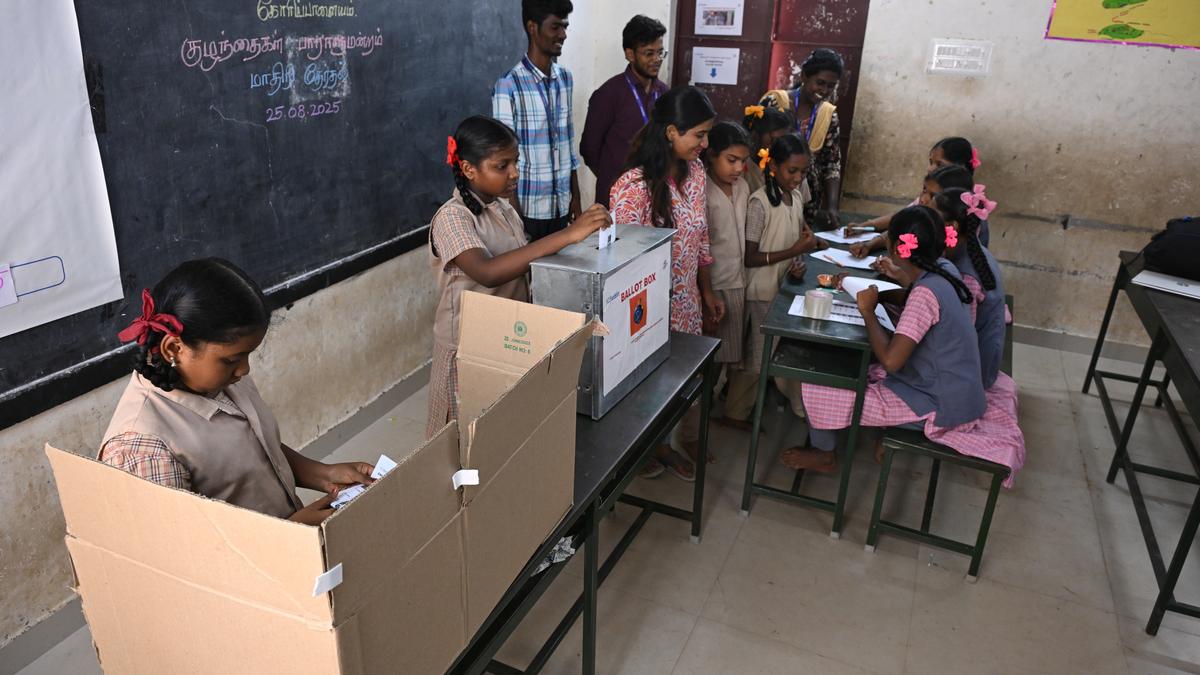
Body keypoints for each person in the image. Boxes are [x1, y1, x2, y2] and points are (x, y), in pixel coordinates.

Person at [100, 258, 375, 525]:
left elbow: (253, 448)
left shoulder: (218, 378)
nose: (244, 370)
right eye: (232, 359)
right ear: (174, 349)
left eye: (248, 356)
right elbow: (179, 559)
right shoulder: (143, 452)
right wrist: (290, 533)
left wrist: (322, 474)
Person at [792, 206, 1024, 484]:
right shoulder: (944, 269)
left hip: (941, 405)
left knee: (816, 384)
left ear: (897, 250)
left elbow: (891, 361)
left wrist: (867, 312)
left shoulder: (925, 294)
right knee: (857, 370)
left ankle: (824, 453)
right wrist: (875, 294)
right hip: (957, 391)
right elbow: (912, 296)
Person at [427, 116, 610, 437]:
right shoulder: (452, 218)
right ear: (469, 169)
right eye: (502, 166)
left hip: (504, 335)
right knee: (458, 440)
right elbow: (487, 272)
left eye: (516, 162)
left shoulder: (503, 208)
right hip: (465, 345)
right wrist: (568, 235)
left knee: (496, 433)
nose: (515, 173)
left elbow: (524, 261)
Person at [610, 85, 723, 480]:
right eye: (699, 135)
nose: (705, 144)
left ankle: (661, 443)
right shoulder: (633, 187)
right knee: (647, 387)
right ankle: (645, 449)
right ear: (672, 132)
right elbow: (620, 265)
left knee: (677, 384)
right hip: (646, 311)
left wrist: (706, 289)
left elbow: (701, 236)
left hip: (686, 305)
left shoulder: (694, 174)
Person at [722, 134, 826, 430]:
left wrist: (795, 264)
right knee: (757, 358)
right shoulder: (759, 203)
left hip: (781, 288)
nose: (798, 178)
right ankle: (735, 414)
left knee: (765, 353)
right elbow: (751, 257)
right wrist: (795, 251)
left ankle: (747, 405)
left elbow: (791, 239)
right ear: (773, 168)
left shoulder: (793, 198)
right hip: (761, 290)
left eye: (803, 172)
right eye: (791, 171)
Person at [492, 0, 582, 241]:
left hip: (562, 207)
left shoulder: (565, 78)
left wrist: (576, 196)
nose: (563, 34)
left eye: (565, 27)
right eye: (555, 27)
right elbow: (502, 157)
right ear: (533, 27)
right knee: (531, 278)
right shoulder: (508, 85)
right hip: (527, 211)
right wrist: (514, 215)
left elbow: (567, 143)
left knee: (562, 277)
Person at [579, 15, 669, 208]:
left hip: (654, 196)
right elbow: (589, 149)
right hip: (616, 198)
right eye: (649, 53)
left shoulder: (664, 93)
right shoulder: (608, 94)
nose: (657, 60)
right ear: (630, 54)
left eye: (661, 53)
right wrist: (614, 178)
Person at [759, 48, 845, 230]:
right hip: (769, 193)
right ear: (804, 76)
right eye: (820, 83)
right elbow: (755, 146)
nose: (824, 90)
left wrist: (831, 207)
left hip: (806, 202)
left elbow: (832, 165)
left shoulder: (829, 115)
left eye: (831, 86)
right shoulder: (775, 103)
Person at [845, 137, 987, 244]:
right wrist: (867, 227)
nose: (930, 168)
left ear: (958, 168)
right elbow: (904, 218)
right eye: (930, 162)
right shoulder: (932, 195)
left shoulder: (966, 206)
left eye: (939, 164)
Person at [702, 122, 752, 412]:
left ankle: (708, 412)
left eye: (743, 161)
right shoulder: (703, 191)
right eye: (731, 160)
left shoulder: (743, 187)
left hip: (737, 281)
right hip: (714, 285)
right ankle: (697, 418)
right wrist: (705, 290)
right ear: (711, 156)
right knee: (707, 356)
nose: (737, 168)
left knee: (727, 354)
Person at [934, 186, 1006, 388]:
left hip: (972, 374)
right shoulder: (974, 250)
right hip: (975, 360)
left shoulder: (967, 276)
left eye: (933, 215)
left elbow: (959, 336)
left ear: (952, 226)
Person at [849, 164, 977, 259]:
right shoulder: (931, 216)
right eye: (924, 190)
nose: (923, 199)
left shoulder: (952, 242)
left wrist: (900, 273)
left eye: (933, 196)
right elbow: (900, 228)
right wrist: (869, 245)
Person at [740, 105, 793, 194]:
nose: (779, 146)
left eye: (784, 140)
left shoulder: (791, 164)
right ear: (755, 136)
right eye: (773, 139)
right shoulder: (741, 168)